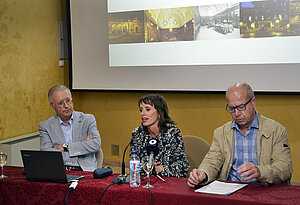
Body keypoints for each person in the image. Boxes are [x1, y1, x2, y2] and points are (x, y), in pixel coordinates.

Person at [188, 82, 293, 187]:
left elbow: (284, 168)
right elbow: (212, 162)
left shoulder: (276, 130)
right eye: (232, 108)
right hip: (230, 190)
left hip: (264, 189)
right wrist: (203, 173)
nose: (237, 113)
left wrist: (261, 172)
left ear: (253, 102)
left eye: (241, 107)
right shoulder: (221, 133)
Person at [39, 85, 101, 171]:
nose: (66, 106)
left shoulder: (87, 119)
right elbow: (46, 153)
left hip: (85, 170)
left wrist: (65, 147)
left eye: (68, 101)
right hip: (60, 170)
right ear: (53, 106)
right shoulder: (45, 126)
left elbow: (95, 145)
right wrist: (82, 147)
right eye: (60, 103)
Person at [130, 94, 189, 178]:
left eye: (148, 109)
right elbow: (133, 164)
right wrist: (144, 167)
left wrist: (161, 169)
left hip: (168, 183)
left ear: (160, 112)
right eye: (140, 110)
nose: (142, 114)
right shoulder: (138, 133)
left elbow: (182, 167)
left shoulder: (172, 132)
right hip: (144, 182)